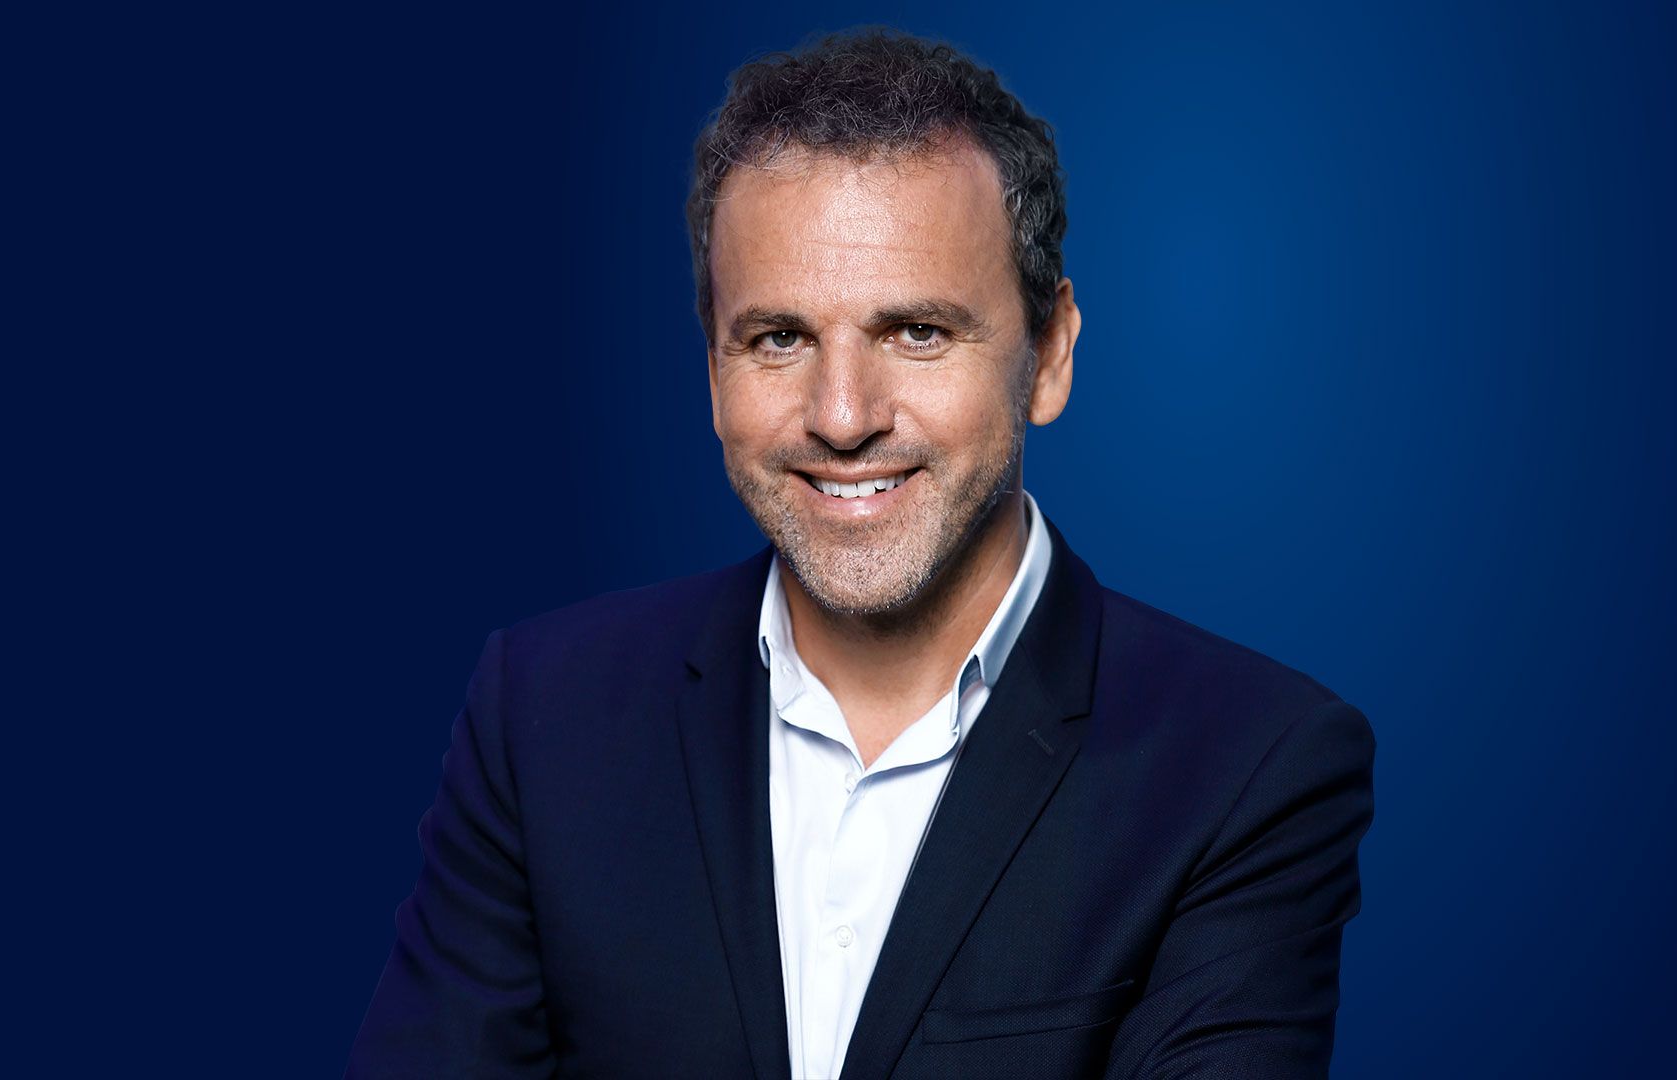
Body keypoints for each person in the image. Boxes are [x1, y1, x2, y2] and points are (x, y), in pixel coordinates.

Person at [348, 28, 1375, 1080]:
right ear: (713, 371)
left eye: (916, 332)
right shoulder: (543, 718)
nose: (842, 417)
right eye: (779, 339)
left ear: (1049, 356)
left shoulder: (1250, 768)